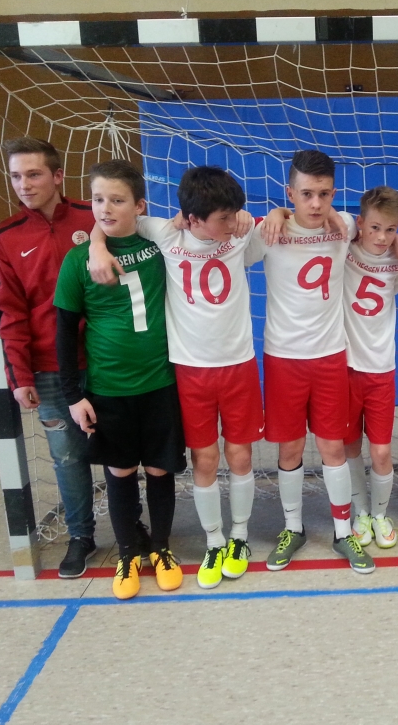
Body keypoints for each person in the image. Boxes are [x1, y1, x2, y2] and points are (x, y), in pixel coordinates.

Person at [87, 166, 262, 588]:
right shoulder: (166, 233)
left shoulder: (241, 231)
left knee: (240, 456)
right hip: (190, 370)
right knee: (205, 459)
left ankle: (239, 536)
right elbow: (110, 220)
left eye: (233, 215)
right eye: (223, 217)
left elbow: (284, 221)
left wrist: (264, 215)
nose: (231, 222)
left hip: (238, 364)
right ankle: (214, 541)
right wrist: (95, 244)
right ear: (192, 218)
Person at [256, 150, 398, 574]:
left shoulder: (343, 225)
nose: (315, 203)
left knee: (332, 446)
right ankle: (293, 528)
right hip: (283, 358)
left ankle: (344, 533)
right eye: (306, 194)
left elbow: (379, 229)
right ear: (290, 193)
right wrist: (274, 213)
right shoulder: (268, 230)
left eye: (323, 194)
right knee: (290, 447)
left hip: (330, 357)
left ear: (334, 194)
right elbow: (219, 236)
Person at [54, 160, 186, 600]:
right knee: (120, 470)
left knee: (160, 468)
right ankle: (128, 553)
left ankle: (161, 548)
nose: (105, 208)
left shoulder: (160, 247)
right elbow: (64, 332)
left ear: (139, 206)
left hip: (160, 382)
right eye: (97, 200)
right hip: (109, 389)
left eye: (117, 200)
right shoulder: (78, 261)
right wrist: (73, 395)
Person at [0, 137, 98, 579]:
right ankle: (81, 536)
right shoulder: (7, 237)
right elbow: (11, 312)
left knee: (121, 449)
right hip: (50, 369)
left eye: (33, 174)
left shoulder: (95, 217)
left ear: (57, 176)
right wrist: (19, 376)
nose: (24, 184)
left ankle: (132, 528)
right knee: (67, 456)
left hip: (106, 360)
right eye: (16, 176)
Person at [343, 187, 398, 550]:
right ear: (360, 223)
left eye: (391, 229)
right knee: (349, 446)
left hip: (381, 371)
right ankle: (361, 512)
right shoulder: (342, 249)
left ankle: (381, 514)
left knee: (382, 451)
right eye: (375, 228)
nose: (382, 237)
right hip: (345, 368)